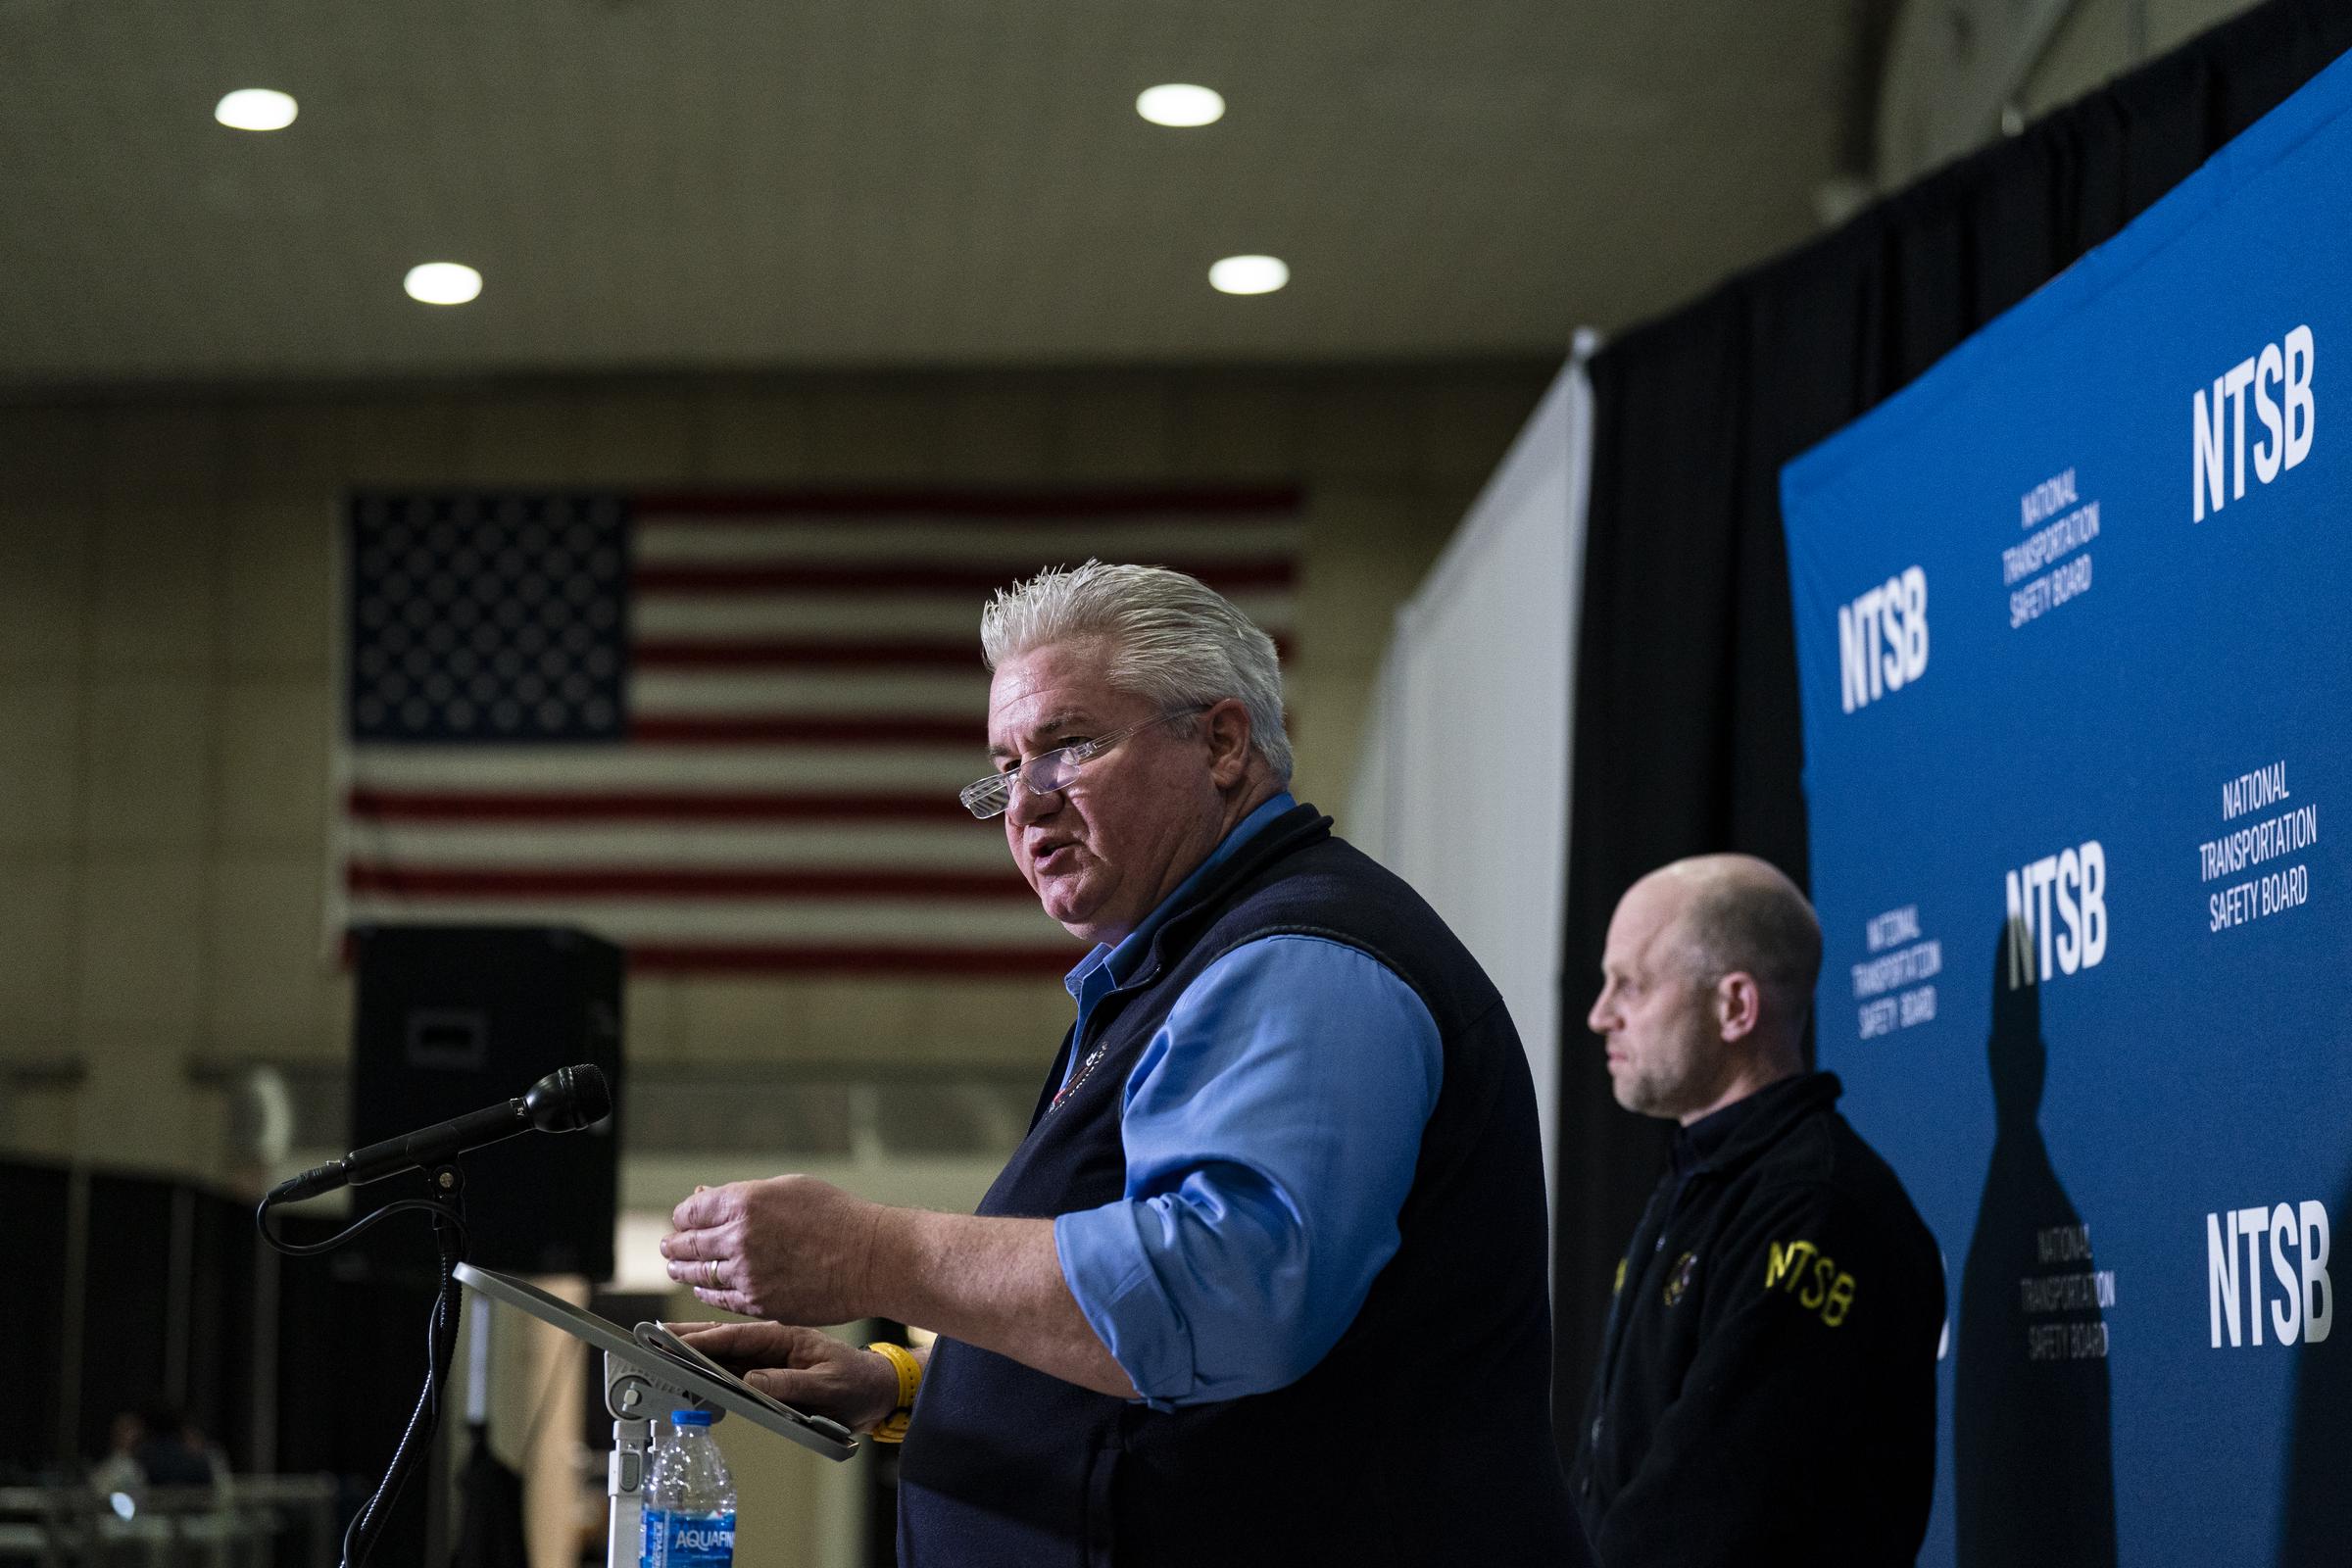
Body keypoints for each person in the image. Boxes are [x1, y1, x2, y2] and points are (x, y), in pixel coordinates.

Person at [662, 562, 1586, 1567]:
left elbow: (1223, 1297)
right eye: (1006, 770)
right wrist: (916, 1382)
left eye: (1067, 747)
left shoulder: (1302, 963)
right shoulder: (1177, 964)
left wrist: (870, 1257)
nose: (1027, 806)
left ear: (1222, 743)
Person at [1570, 855, 1943, 1566]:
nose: (1599, 1015)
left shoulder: (1814, 1209)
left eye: (1632, 985)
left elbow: (1711, 1512)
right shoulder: (1699, 1180)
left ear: (1736, 1007)